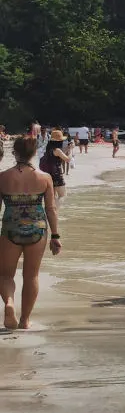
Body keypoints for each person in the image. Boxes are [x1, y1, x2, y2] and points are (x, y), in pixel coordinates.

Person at [0, 136, 60, 329]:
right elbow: (51, 209)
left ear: (14, 152)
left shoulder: (3, 177)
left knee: (6, 275)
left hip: (11, 228)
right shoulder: (45, 178)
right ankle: (25, 320)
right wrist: (56, 236)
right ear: (34, 153)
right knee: (31, 276)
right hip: (38, 230)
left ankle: (9, 303)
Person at [39, 130, 69, 201]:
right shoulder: (57, 150)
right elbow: (67, 159)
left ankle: (52, 211)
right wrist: (70, 150)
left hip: (49, 175)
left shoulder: (49, 149)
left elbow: (60, 155)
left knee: (53, 197)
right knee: (63, 196)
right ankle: (55, 211)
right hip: (57, 176)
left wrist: (67, 149)